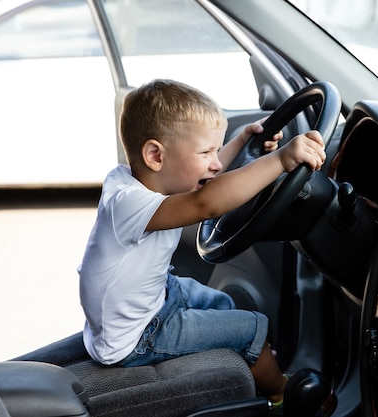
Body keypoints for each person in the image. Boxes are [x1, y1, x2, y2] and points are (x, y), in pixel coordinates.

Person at [78, 79, 336, 416]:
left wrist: (242, 142)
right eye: (206, 153)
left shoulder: (137, 181)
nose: (215, 163)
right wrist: (281, 161)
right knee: (252, 327)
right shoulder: (129, 205)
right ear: (155, 155)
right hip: (136, 337)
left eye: (216, 152)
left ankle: (251, 363)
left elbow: (206, 180)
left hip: (152, 299)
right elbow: (207, 203)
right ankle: (281, 396)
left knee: (222, 303)